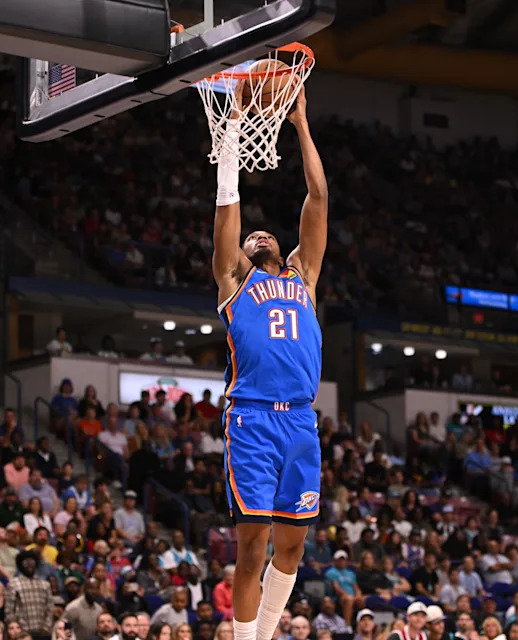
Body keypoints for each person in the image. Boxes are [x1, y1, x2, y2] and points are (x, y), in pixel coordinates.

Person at [211, 88, 327, 640]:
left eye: (266, 234)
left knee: (294, 544)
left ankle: (263, 633)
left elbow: (319, 198)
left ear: (280, 248)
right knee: (253, 540)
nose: (258, 235)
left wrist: (300, 124)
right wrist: (231, 131)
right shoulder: (235, 279)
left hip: (301, 420)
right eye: (250, 236)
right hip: (253, 418)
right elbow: (227, 215)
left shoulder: (302, 276)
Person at [5, 550, 53, 636]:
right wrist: (16, 631)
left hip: (42, 632)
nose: (29, 565)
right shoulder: (13, 584)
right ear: (20, 565)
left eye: (32, 562)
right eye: (26, 562)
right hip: (22, 633)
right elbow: (9, 611)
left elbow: (49, 608)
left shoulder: (45, 584)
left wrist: (46, 627)